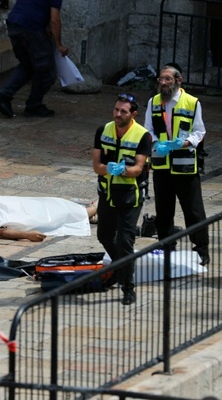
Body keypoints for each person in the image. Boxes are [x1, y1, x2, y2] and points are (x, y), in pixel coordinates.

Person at [144, 62, 210, 266]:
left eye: (167, 79)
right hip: (162, 165)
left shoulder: (192, 102)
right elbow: (147, 129)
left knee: (193, 210)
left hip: (185, 165)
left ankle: (201, 250)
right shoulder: (154, 102)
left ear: (178, 81)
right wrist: (156, 142)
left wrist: (185, 142)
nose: (163, 83)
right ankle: (166, 246)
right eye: (161, 79)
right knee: (164, 211)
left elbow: (199, 131)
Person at [92, 93, 152, 305]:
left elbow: (138, 168)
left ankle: (128, 287)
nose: (118, 114)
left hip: (130, 195)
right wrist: (108, 169)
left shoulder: (142, 136)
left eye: (123, 111)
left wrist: (123, 171)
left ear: (133, 114)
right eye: (116, 109)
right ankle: (120, 268)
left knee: (125, 241)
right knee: (104, 235)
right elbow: (96, 165)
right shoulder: (103, 130)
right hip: (107, 192)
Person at [0, 0, 73, 118]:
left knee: (27, 65)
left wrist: (46, 27)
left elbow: (35, 5)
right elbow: (55, 19)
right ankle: (34, 105)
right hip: (31, 30)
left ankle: (4, 94)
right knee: (46, 71)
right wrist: (59, 45)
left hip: (15, 25)